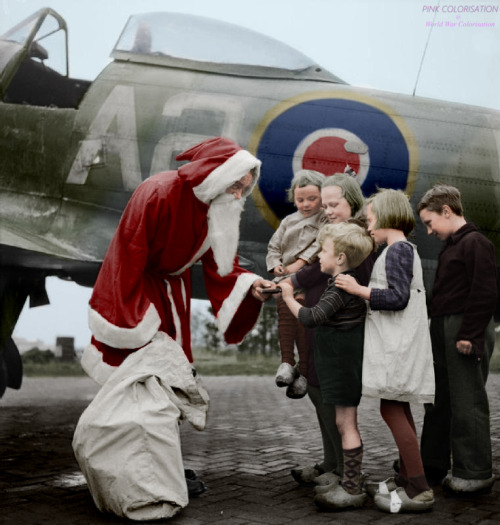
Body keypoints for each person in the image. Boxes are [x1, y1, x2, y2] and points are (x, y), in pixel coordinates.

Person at [80, 137, 275, 496]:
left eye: (245, 189)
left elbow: (222, 264)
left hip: (174, 297)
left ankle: (163, 466)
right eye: (235, 184)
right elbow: (128, 251)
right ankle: (137, 469)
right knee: (140, 383)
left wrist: (251, 286)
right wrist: (133, 318)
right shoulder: (157, 191)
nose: (238, 195)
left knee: (172, 382)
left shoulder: (220, 207)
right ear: (216, 175)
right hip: (138, 295)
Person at [336, 188, 435, 514]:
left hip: (398, 347)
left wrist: (357, 289)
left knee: (391, 410)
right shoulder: (401, 249)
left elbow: (397, 298)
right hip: (400, 344)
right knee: (399, 408)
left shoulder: (397, 251)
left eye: (371, 219)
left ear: (388, 216)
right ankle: (408, 478)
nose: (369, 226)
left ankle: (419, 488)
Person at [284, 173, 374, 489]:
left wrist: (291, 285)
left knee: (330, 400)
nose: (328, 210)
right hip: (319, 334)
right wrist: (291, 283)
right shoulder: (335, 234)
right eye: (325, 205)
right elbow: (312, 270)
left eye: (333, 204)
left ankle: (341, 471)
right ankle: (330, 463)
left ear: (352, 202)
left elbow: (323, 274)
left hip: (335, 334)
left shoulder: (357, 240)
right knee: (317, 393)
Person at [417, 184, 498, 494]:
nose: (428, 231)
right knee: (439, 402)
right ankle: (433, 465)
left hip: (464, 327)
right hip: (444, 325)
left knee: (468, 402)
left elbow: (485, 292)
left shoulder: (476, 243)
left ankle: (474, 473)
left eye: (429, 222)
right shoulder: (453, 244)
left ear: (447, 211)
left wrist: (470, 335)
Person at [266, 170, 327, 399]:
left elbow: (320, 244)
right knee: (284, 312)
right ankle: (286, 363)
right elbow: (274, 246)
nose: (306, 204)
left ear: (322, 197)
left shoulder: (323, 219)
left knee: (302, 316)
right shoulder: (288, 221)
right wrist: (276, 266)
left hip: (308, 278)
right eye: (301, 199)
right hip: (287, 278)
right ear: (294, 198)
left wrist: (299, 264)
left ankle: (303, 371)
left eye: (312, 199)